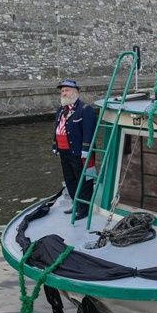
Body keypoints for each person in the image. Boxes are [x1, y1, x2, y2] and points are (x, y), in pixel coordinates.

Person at [51, 79, 96, 221]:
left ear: (75, 92)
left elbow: (89, 131)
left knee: (84, 179)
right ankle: (76, 203)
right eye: (62, 91)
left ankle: (84, 209)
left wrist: (86, 149)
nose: (64, 93)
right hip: (64, 151)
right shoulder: (60, 110)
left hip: (79, 151)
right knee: (70, 179)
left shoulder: (84, 109)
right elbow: (57, 129)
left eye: (67, 90)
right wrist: (55, 144)